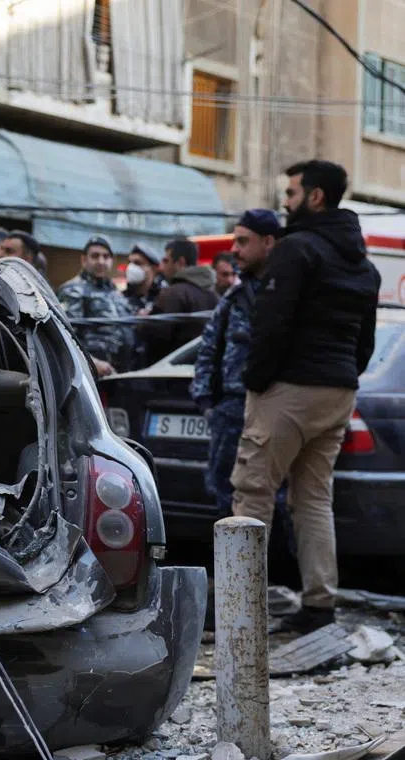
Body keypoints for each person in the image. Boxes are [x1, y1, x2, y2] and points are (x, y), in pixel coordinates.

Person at [231, 160, 381, 634]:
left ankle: (241, 608)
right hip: (337, 390)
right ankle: (320, 604)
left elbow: (271, 324)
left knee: (252, 494)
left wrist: (257, 382)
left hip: (289, 390)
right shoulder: (362, 262)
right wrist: (342, 376)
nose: (286, 201)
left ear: (316, 197)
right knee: (314, 500)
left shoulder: (297, 250)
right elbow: (365, 342)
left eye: (292, 192)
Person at [191, 211, 288, 520]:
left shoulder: (288, 291)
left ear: (269, 242)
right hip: (230, 410)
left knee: (277, 498)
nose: (235, 250)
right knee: (223, 491)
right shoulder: (235, 296)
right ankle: (235, 566)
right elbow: (209, 347)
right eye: (235, 241)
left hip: (275, 408)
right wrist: (207, 402)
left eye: (243, 242)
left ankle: (273, 567)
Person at [57, 236, 133, 376]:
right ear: (84, 260)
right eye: (95, 256)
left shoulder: (115, 292)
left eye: (106, 256)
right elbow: (65, 336)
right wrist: (92, 362)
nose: (101, 261)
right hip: (92, 373)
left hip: (120, 373)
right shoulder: (73, 290)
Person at [139, 238, 218, 364]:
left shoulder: (173, 294)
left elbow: (157, 338)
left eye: (166, 260)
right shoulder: (213, 295)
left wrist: (143, 322)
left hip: (171, 373)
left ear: (180, 262)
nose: (162, 266)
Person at [124, 244, 166, 313]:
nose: (131, 267)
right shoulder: (121, 298)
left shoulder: (164, 298)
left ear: (154, 268)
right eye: (129, 262)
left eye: (137, 263)